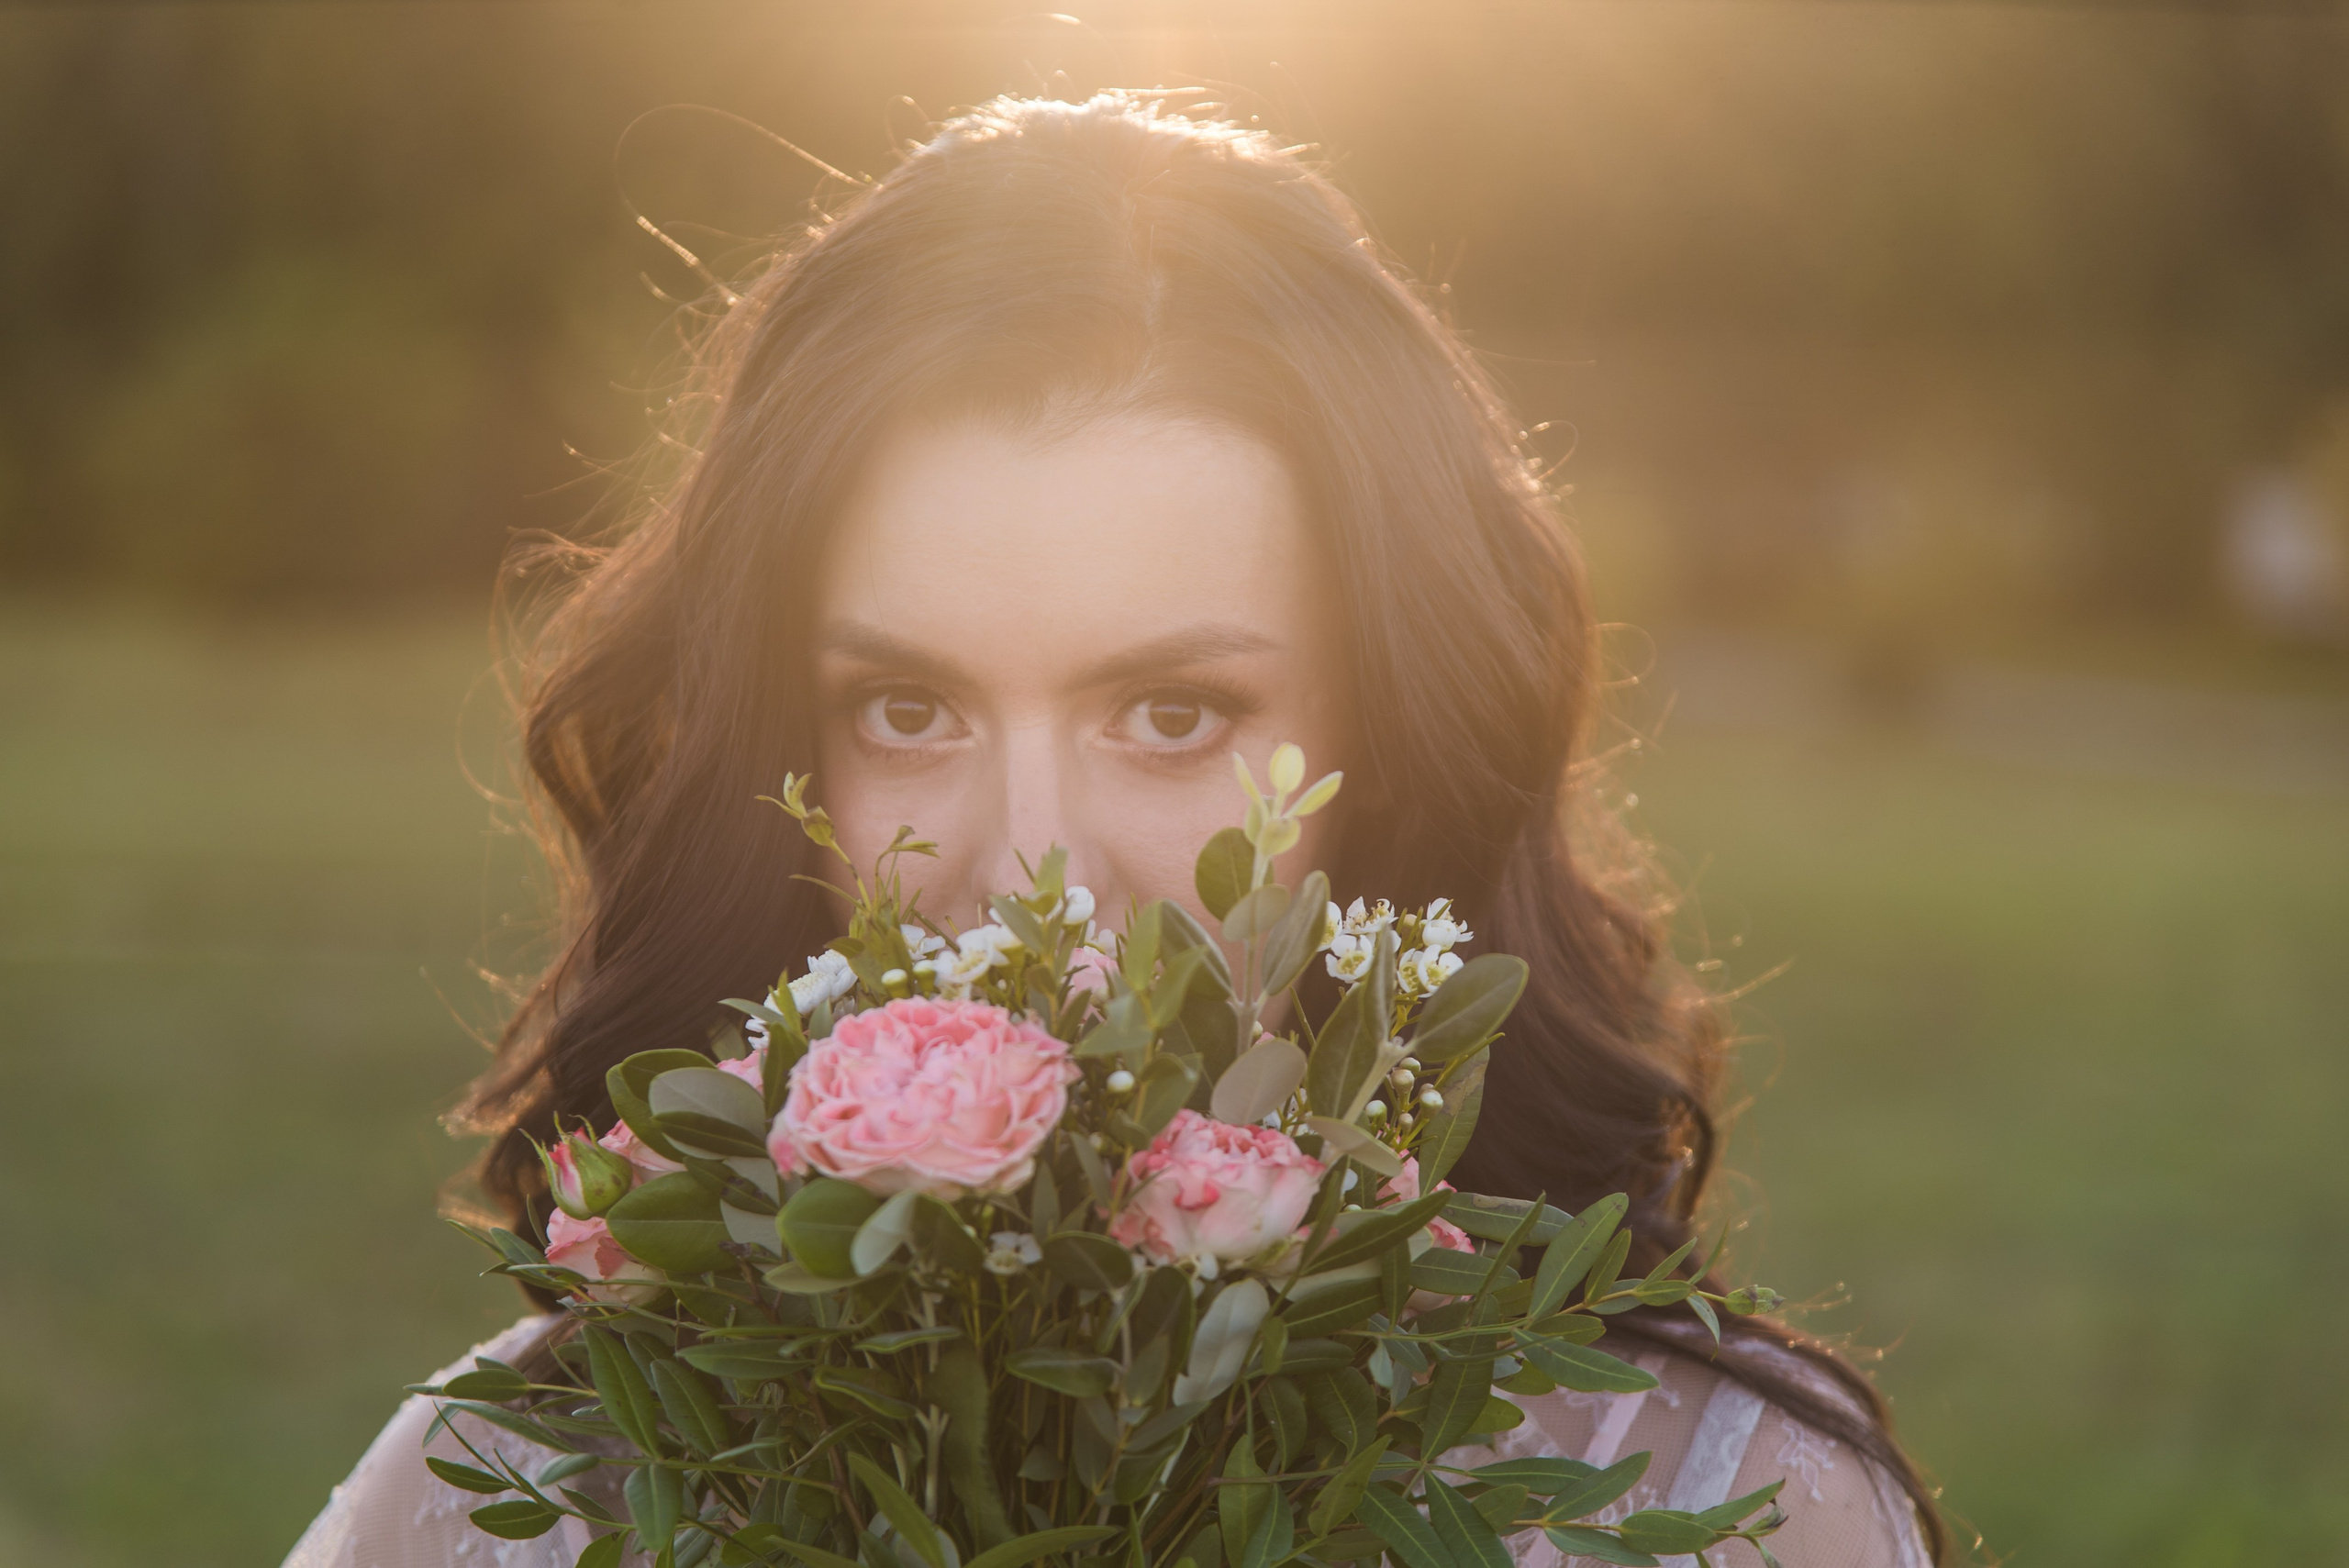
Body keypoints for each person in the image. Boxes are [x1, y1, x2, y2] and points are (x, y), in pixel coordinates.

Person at [284, 92, 1948, 1567]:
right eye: (906, 708)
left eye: (1170, 714)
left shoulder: (1728, 1503)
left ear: (1392, 743)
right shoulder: (531, 1489)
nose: (1034, 871)